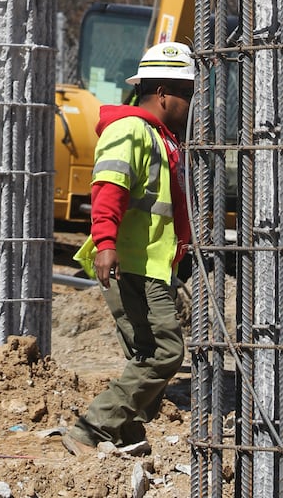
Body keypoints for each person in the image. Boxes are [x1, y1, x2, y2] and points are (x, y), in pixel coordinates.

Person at [65, 41, 195, 457]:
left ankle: (123, 432)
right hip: (134, 264)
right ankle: (94, 427)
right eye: (186, 94)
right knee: (165, 352)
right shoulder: (131, 130)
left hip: (151, 263)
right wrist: (105, 243)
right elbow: (109, 188)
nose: (190, 104)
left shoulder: (159, 137)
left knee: (146, 353)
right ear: (162, 94)